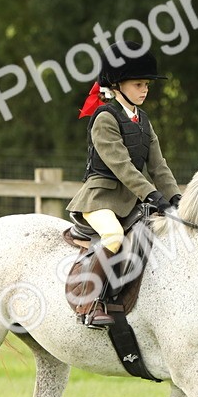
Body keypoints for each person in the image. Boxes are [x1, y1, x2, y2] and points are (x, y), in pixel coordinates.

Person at [67, 41, 182, 328]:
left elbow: (158, 165)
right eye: (138, 84)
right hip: (100, 199)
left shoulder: (143, 120)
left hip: (131, 200)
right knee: (115, 236)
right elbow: (122, 167)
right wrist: (152, 195)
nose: (144, 89)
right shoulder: (104, 118)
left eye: (146, 84)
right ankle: (92, 304)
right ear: (117, 85)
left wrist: (176, 197)